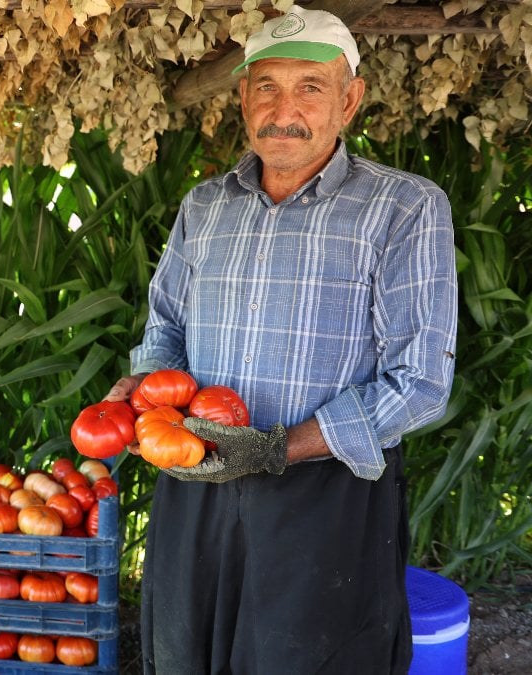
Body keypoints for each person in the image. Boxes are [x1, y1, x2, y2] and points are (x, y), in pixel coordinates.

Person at [105, 6, 458, 673]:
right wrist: (144, 392)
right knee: (183, 655)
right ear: (242, 97)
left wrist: (278, 448)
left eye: (310, 87)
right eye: (266, 85)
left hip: (325, 498)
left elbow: (419, 383)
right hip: (197, 478)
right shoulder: (204, 208)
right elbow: (165, 332)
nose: (284, 108)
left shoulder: (404, 208)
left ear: (349, 100)